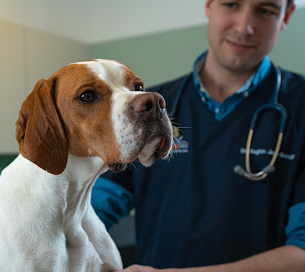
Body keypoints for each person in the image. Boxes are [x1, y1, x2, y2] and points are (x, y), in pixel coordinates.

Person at [91, 0, 305, 271]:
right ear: (209, 6)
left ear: (286, 15)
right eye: (231, 4)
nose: (244, 27)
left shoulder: (300, 107)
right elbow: (90, 211)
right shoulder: (149, 109)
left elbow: (302, 252)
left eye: (265, 10)